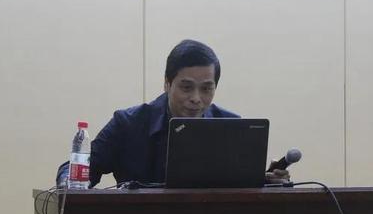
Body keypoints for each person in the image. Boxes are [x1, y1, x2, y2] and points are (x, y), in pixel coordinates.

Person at [56, 39, 289, 187]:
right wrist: (68, 180)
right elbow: (76, 169)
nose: (196, 98)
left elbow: (244, 189)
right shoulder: (128, 124)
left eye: (206, 89)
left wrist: (269, 181)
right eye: (186, 87)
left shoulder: (231, 126)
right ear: (167, 84)